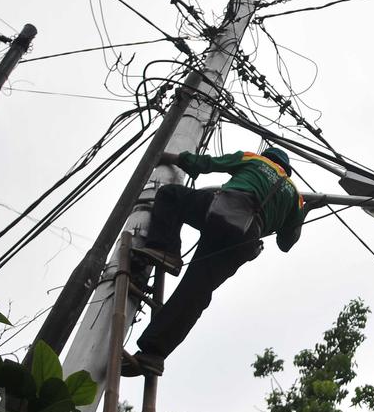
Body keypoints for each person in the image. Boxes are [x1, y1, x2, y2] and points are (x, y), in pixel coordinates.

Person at [122, 147, 312, 376]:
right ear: (287, 170)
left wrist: (167, 156)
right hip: (245, 240)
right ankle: (153, 354)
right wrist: (304, 214)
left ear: (267, 157)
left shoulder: (254, 159)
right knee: (195, 292)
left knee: (171, 195)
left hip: (222, 211)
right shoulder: (296, 197)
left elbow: (204, 163)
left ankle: (165, 251)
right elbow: (286, 243)